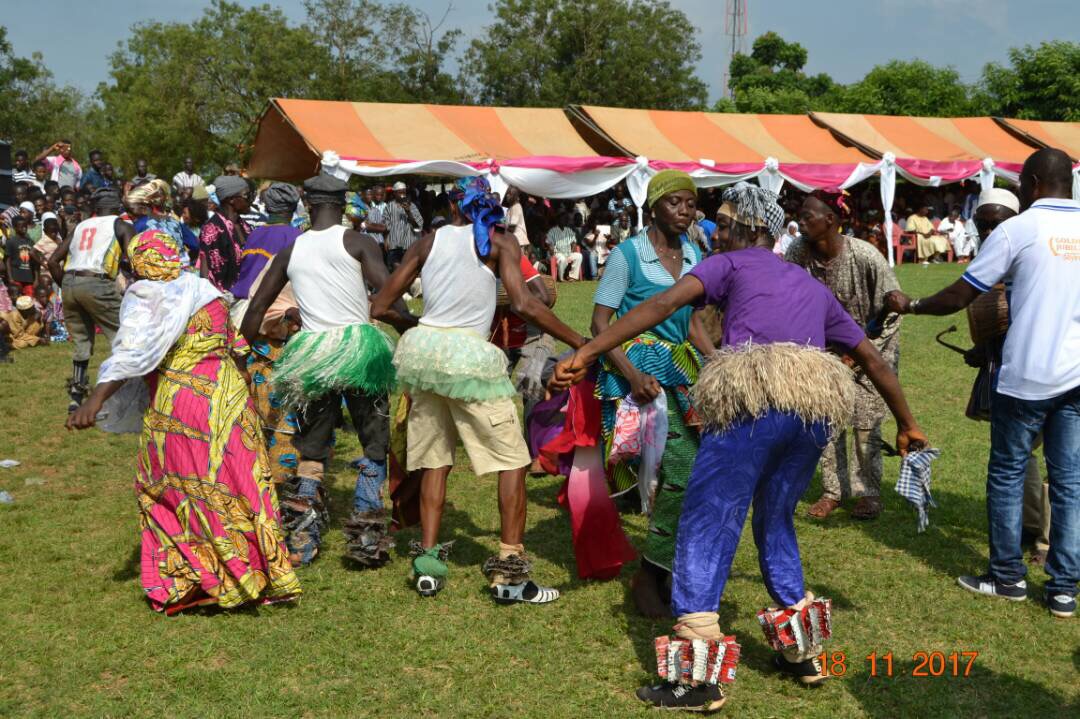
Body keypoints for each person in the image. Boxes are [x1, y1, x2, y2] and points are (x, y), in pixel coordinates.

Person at [554, 182, 926, 709]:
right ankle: (804, 652)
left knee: (710, 517)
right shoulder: (807, 284)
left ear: (753, 231)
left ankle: (699, 675)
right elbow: (871, 359)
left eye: (724, 225)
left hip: (754, 403)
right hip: (812, 413)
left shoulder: (731, 264)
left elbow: (663, 304)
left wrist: (589, 351)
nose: (715, 232)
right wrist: (908, 424)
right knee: (774, 518)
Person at [370, 175, 588, 603]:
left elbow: (379, 305)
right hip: (470, 359)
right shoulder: (500, 241)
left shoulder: (427, 241)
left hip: (427, 357)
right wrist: (580, 342)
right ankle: (509, 577)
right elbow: (525, 304)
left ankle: (429, 567)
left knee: (435, 461)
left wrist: (417, 327)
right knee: (512, 461)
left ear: (453, 207)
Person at [66, 229, 301, 613]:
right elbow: (237, 349)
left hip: (182, 406)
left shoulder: (147, 298)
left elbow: (131, 355)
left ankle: (203, 577)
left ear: (140, 262)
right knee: (244, 485)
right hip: (230, 400)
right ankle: (262, 572)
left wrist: (93, 400)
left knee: (175, 488)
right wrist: (242, 399)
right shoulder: (205, 291)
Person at [889, 149, 1079, 618]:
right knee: (1070, 483)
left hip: (1025, 380)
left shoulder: (1019, 229)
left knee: (1008, 475)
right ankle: (1063, 590)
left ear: (1032, 184)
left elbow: (962, 293)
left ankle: (1007, 577)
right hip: (1076, 380)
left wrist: (910, 305)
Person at [243, 174, 416, 568]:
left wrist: (244, 352)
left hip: (312, 356)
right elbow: (390, 297)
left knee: (312, 444)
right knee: (373, 439)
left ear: (307, 203)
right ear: (343, 205)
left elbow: (255, 311)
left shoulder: (291, 250)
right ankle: (367, 536)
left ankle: (303, 536)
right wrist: (411, 326)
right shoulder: (358, 241)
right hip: (360, 351)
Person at [580, 170, 712, 616]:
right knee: (674, 470)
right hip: (636, 373)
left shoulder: (694, 252)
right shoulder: (627, 255)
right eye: (675, 202)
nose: (684, 211)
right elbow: (600, 324)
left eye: (690, 204)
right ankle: (650, 575)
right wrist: (632, 374)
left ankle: (663, 564)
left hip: (679, 370)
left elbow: (692, 322)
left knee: (686, 473)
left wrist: (719, 363)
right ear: (653, 205)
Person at [787, 191, 903, 521]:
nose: (801, 221)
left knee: (866, 420)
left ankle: (867, 492)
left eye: (809, 215)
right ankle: (832, 491)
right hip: (824, 351)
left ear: (832, 221)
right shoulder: (797, 253)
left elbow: (893, 311)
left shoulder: (866, 256)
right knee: (827, 420)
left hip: (872, 348)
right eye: (801, 215)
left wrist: (863, 353)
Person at [232, 183, 305, 488]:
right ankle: (283, 474)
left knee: (256, 402)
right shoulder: (297, 238)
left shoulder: (255, 234)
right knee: (286, 406)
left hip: (246, 317)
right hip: (279, 322)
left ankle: (251, 468)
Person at [47, 187, 135, 412]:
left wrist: (68, 287)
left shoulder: (80, 226)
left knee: (81, 342)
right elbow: (136, 259)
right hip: (98, 282)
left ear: (96, 207)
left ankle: (76, 395)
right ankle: (127, 390)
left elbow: (52, 261)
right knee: (124, 337)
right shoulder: (122, 225)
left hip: (70, 282)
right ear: (118, 206)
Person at [199, 175, 251, 292]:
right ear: (231, 199)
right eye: (246, 195)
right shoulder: (213, 229)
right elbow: (206, 273)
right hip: (223, 298)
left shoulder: (245, 226)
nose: (250, 200)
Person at [384, 181, 423, 270]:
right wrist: (386, 239)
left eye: (404, 192)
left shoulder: (412, 206)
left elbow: (418, 225)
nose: (402, 194)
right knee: (395, 268)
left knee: (408, 269)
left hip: (409, 244)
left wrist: (408, 212)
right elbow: (386, 224)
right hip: (394, 243)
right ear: (394, 193)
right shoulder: (389, 206)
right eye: (400, 192)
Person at [5, 216, 39, 296]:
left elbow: (35, 262)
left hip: (29, 278)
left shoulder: (31, 242)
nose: (24, 228)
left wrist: (36, 279)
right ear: (15, 228)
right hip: (16, 277)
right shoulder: (11, 241)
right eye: (21, 226)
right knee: (16, 298)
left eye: (25, 226)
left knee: (29, 300)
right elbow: (8, 260)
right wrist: (10, 277)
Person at [546, 210, 582, 281]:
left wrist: (570, 253)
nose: (565, 221)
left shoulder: (569, 230)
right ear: (558, 220)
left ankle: (572, 277)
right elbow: (549, 245)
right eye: (563, 219)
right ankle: (561, 278)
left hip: (568, 253)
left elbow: (574, 243)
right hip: (556, 253)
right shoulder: (552, 231)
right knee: (562, 258)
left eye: (566, 219)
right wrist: (552, 252)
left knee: (579, 256)